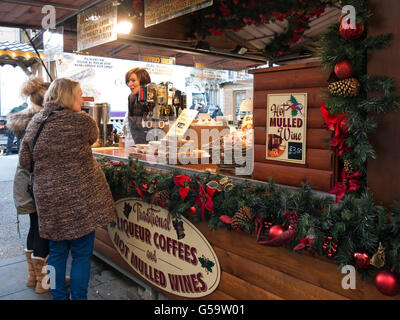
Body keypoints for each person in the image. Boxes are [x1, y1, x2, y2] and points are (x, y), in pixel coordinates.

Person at [18, 78, 116, 300]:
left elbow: (25, 161)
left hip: (49, 200)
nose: (82, 99)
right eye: (79, 94)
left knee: (57, 252)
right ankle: (79, 298)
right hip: (81, 198)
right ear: (70, 97)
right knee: (81, 254)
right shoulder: (83, 122)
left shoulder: (36, 121)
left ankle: (59, 295)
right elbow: (93, 139)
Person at [7, 78, 50, 293]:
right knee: (43, 229)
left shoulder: (23, 121)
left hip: (24, 180)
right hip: (38, 182)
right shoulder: (41, 122)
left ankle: (32, 277)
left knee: (34, 226)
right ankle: (43, 283)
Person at [124, 67, 151, 145]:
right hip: (138, 143)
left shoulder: (152, 97)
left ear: (143, 82)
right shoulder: (131, 97)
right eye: (128, 81)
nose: (129, 84)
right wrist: (138, 144)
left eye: (133, 80)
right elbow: (131, 123)